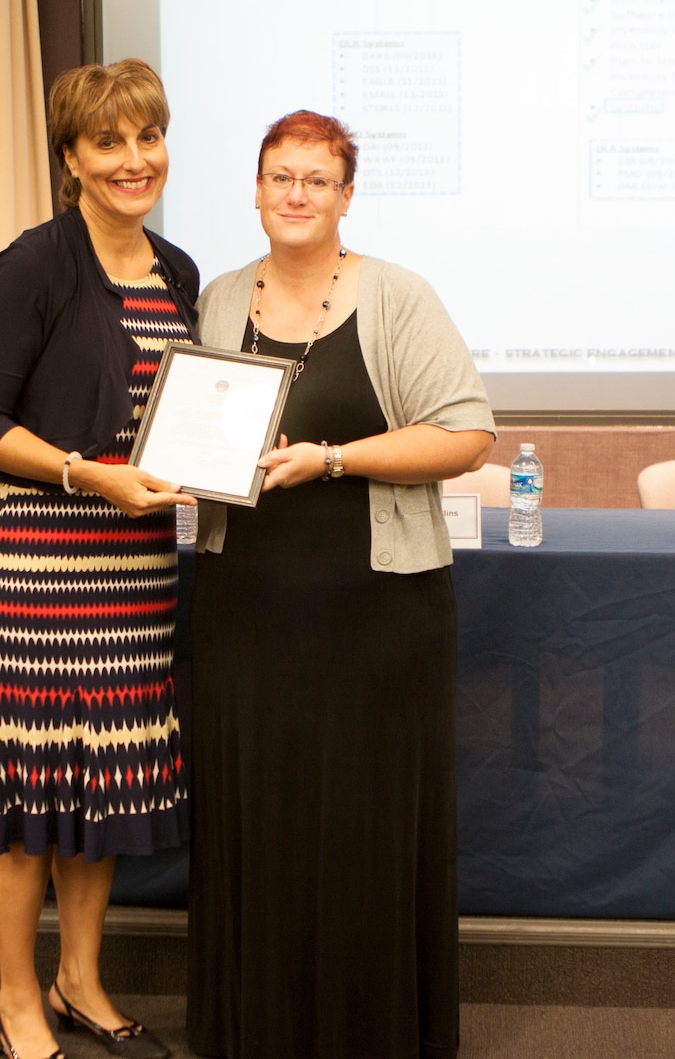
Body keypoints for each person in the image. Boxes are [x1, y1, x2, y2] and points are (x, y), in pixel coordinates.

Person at [186, 110, 497, 1059]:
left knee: (359, 832)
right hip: (243, 612)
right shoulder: (218, 298)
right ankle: (260, 1030)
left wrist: (332, 458)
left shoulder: (399, 296)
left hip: (375, 620)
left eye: (316, 179)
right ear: (255, 188)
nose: (295, 194)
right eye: (280, 176)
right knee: (258, 823)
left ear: (346, 195)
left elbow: (467, 435)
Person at [0, 58, 198, 1059]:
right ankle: (16, 1002)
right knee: (31, 799)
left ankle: (80, 978)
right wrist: (90, 477)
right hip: (43, 575)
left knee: (106, 791)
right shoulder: (33, 267)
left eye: (147, 138)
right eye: (109, 143)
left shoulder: (175, 271)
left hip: (138, 575)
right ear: (72, 158)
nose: (133, 160)